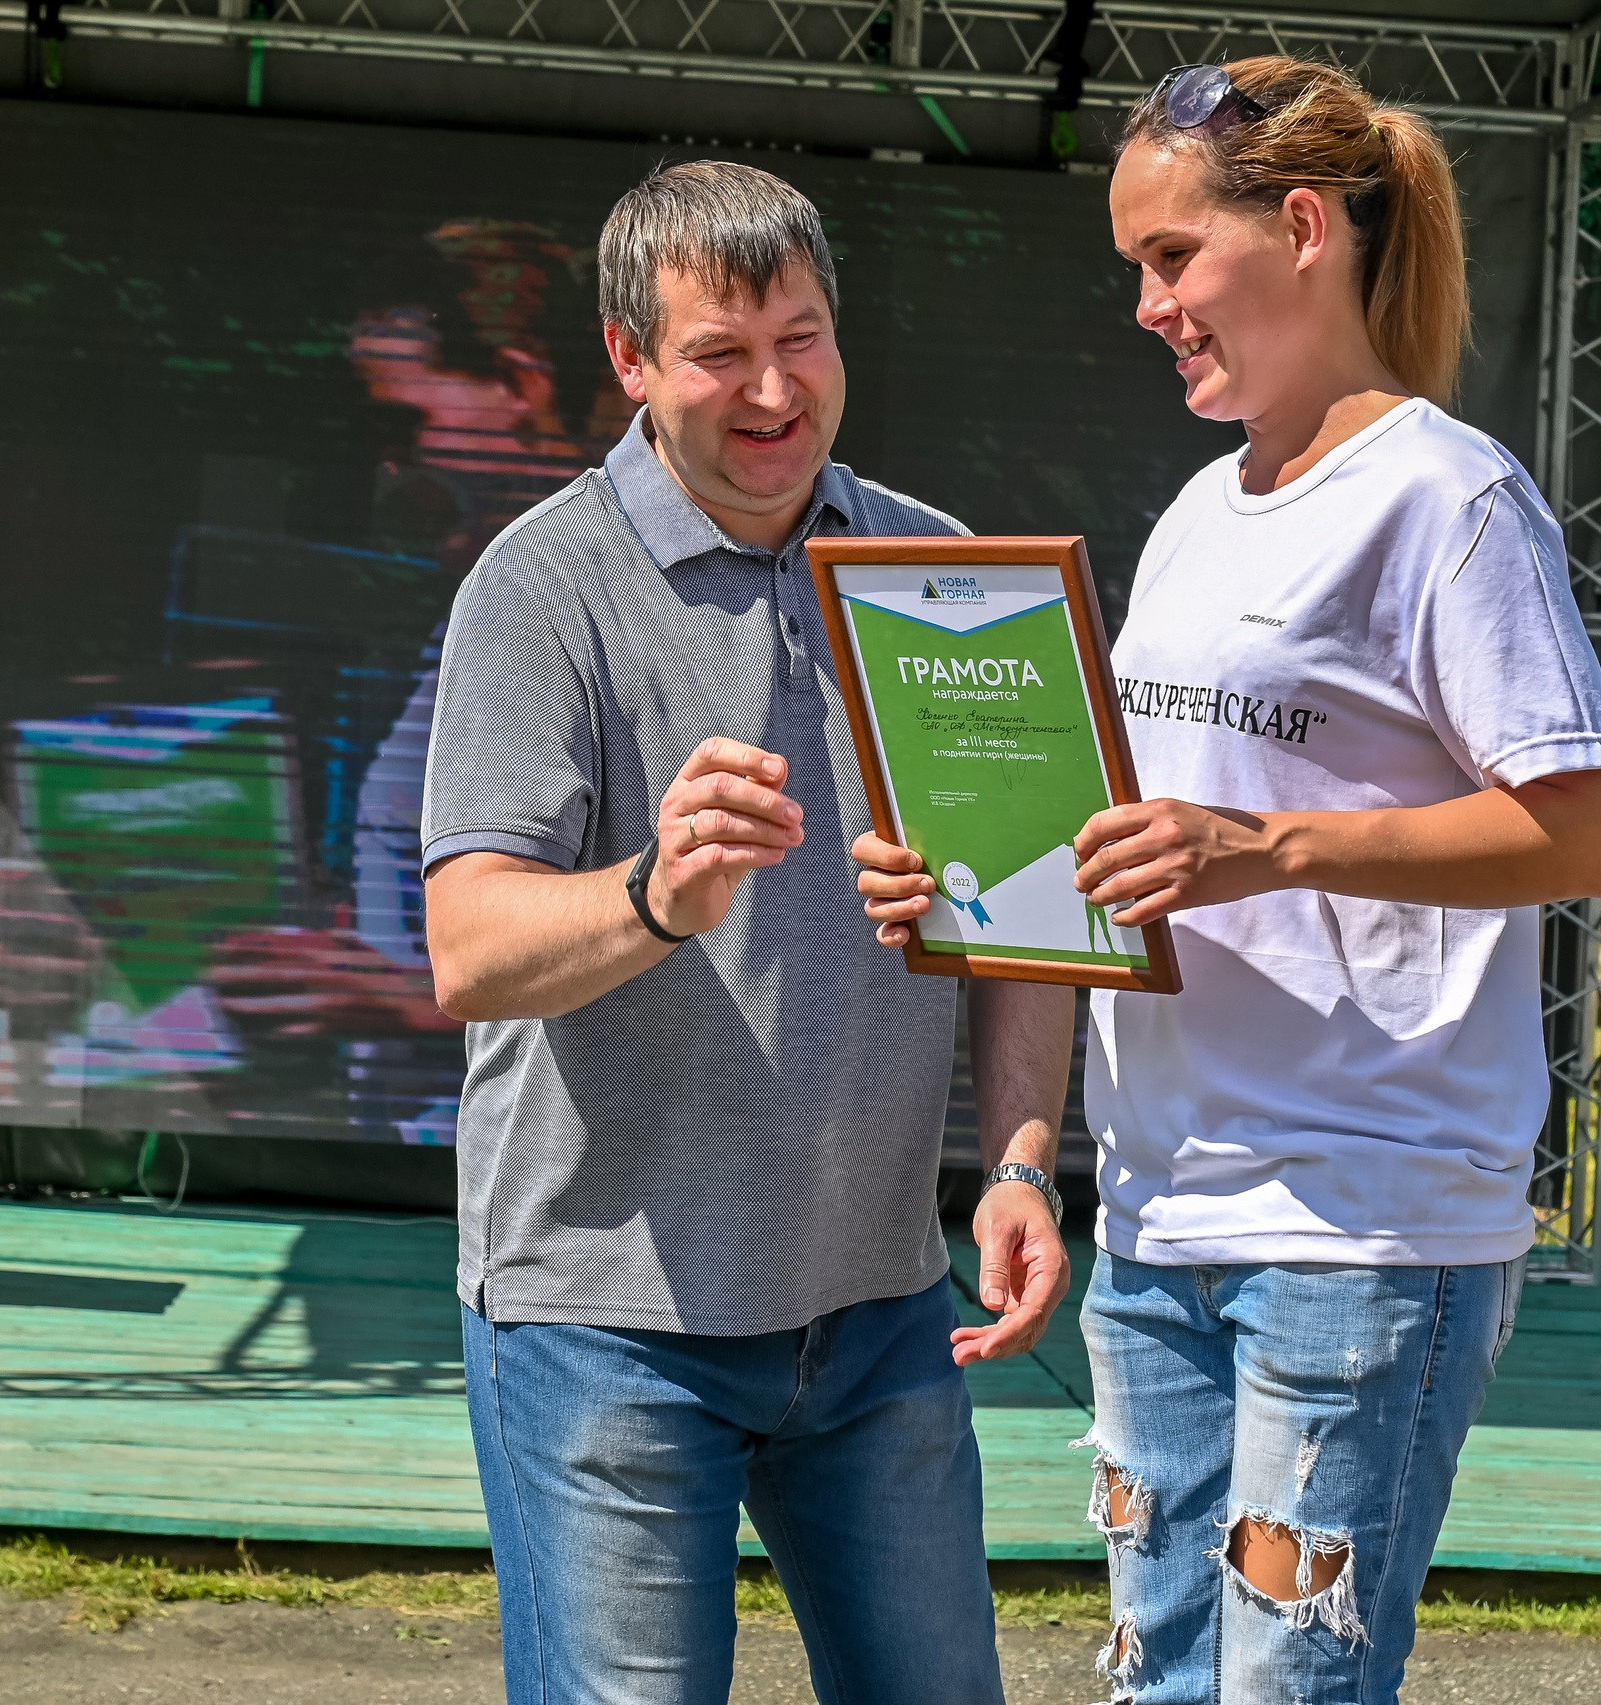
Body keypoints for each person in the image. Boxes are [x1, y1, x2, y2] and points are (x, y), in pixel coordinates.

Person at [857, 57, 1601, 1705]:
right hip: (1158, 1215)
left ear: (1300, 228)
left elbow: (1592, 831)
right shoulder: (1205, 511)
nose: (1147, 305)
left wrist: (1271, 846)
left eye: (1169, 258)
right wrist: (966, 892)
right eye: (1135, 266)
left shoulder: (1451, 497)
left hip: (1362, 1223)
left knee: (1292, 1691)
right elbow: (1099, 854)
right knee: (1159, 1685)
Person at [420, 160, 1075, 1705]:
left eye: (805, 335)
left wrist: (1028, 1158)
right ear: (633, 363)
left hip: (879, 1309)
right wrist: (656, 894)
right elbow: (466, 944)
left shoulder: (945, 573)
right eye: (722, 351)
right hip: (607, 1324)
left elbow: (1039, 907)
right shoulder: (542, 586)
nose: (775, 388)